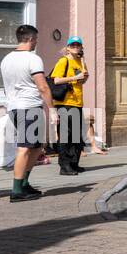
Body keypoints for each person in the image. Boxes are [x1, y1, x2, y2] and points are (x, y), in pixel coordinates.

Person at [2, 24, 52, 202]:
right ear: (31, 39)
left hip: (15, 107)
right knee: (24, 147)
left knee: (37, 147)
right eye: (36, 39)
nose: (36, 42)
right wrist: (52, 109)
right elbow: (42, 86)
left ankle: (24, 183)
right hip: (29, 107)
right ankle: (16, 191)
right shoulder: (33, 58)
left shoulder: (6, 59)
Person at [49, 38, 89, 175]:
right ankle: (64, 166)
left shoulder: (79, 61)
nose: (76, 47)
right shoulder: (63, 61)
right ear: (68, 47)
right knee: (66, 136)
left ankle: (74, 164)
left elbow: (83, 80)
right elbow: (56, 79)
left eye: (78, 45)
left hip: (77, 102)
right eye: (73, 45)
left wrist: (83, 62)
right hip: (64, 103)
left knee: (76, 136)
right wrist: (74, 78)